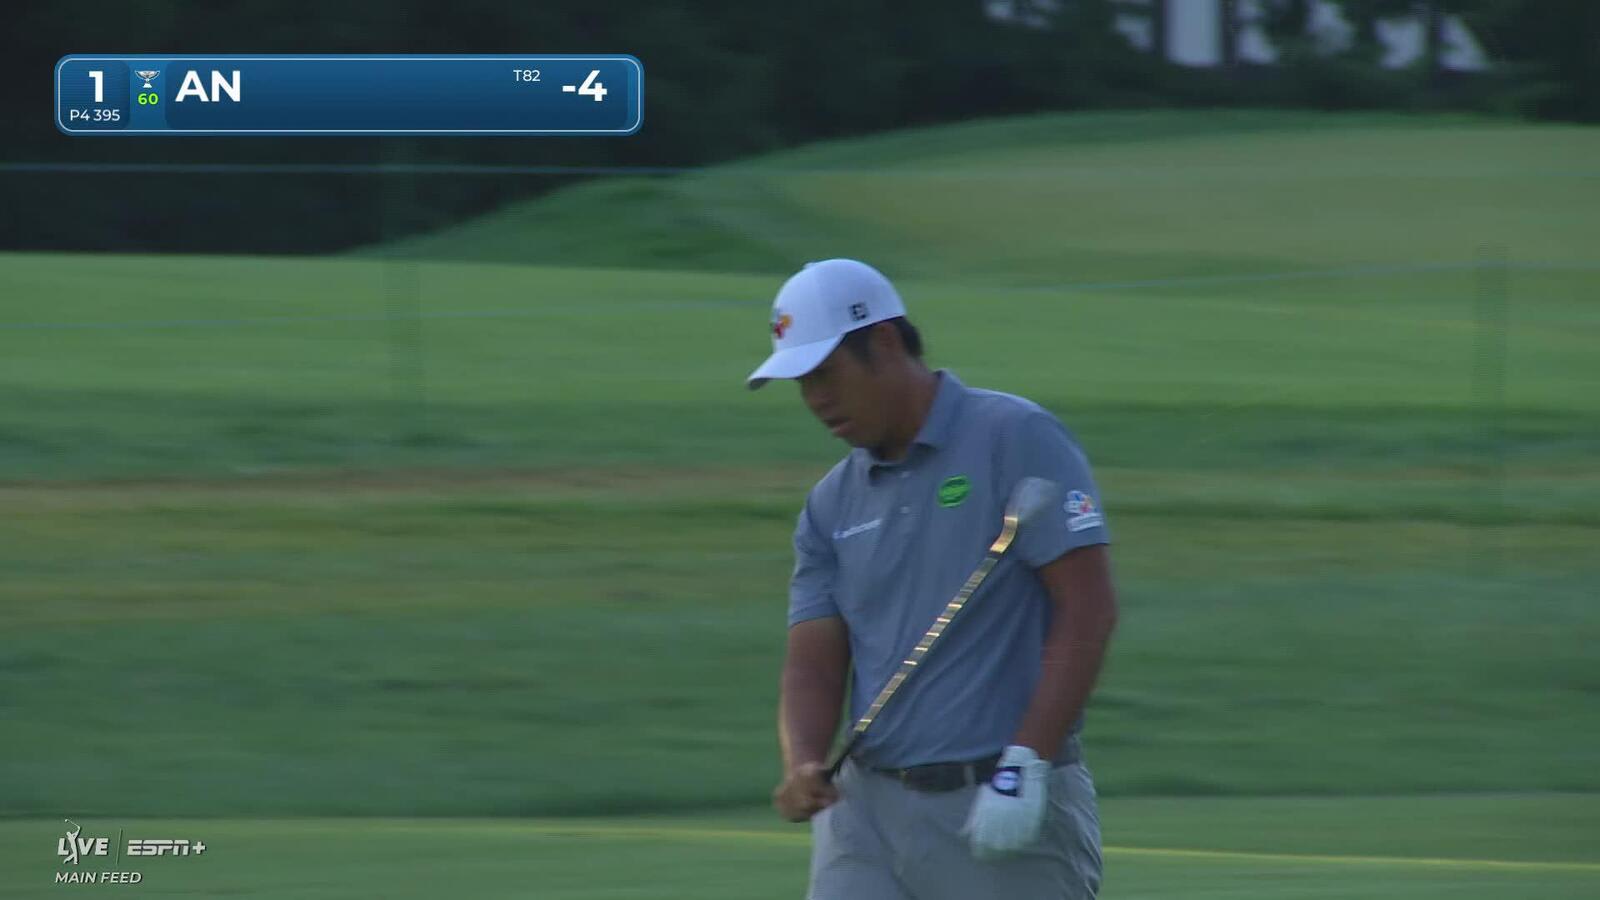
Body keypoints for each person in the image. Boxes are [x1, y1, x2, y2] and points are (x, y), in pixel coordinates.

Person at [748, 259, 1118, 899]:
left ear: (885, 343)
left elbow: (1088, 607)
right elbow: (813, 661)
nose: (815, 401)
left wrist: (1027, 761)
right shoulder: (830, 504)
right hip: (863, 817)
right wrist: (804, 760)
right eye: (801, 384)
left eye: (825, 375)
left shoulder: (1014, 436)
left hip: (999, 802)